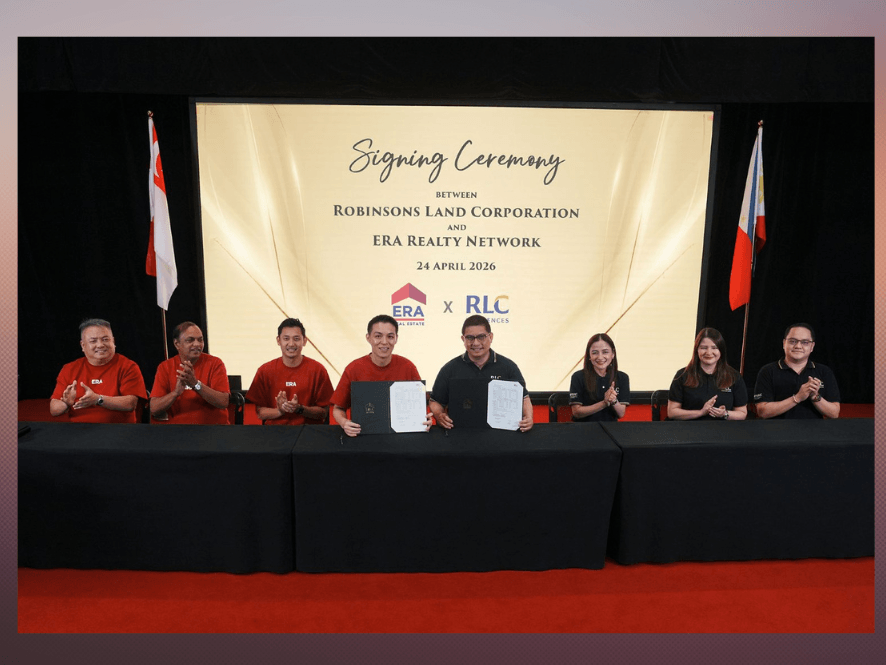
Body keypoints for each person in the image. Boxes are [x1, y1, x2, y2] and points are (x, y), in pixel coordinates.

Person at [332, 314, 431, 437]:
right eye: (378, 336)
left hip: (401, 439)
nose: (384, 342)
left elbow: (420, 407)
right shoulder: (353, 369)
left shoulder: (408, 367)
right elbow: (338, 408)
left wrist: (424, 420)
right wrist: (344, 423)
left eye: (390, 336)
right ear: (368, 338)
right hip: (364, 438)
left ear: (396, 339)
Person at [429, 314, 533, 431]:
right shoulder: (450, 369)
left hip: (501, 435)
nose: (476, 343)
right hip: (460, 434)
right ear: (463, 339)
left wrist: (528, 417)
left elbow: (524, 397)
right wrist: (439, 415)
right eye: (470, 338)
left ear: (491, 337)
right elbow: (435, 401)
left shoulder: (508, 367)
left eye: (481, 337)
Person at [49, 318, 147, 423]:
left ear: (113, 341)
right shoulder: (69, 369)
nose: (100, 345)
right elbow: (54, 410)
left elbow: (130, 404)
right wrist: (66, 403)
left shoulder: (128, 366)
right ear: (83, 345)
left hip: (119, 429)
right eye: (93, 341)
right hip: (80, 430)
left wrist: (98, 400)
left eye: (105, 339)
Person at [246, 317, 334, 425]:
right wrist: (280, 411)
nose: (291, 344)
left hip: (308, 432)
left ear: (304, 341)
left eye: (296, 339)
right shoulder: (264, 371)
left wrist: (299, 409)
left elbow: (324, 412)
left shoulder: (318, 370)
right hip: (274, 432)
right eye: (286, 338)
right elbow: (260, 413)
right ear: (278, 340)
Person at [149, 321, 230, 424]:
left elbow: (223, 402)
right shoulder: (165, 367)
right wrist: (175, 393)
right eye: (190, 340)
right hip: (176, 430)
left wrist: (195, 384)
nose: (197, 344)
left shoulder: (215, 363)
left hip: (212, 429)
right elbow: (154, 408)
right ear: (177, 344)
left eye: (200, 340)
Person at [754, 323, 840, 419]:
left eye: (805, 342)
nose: (798, 346)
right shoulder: (768, 371)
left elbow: (834, 413)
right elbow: (762, 412)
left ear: (812, 346)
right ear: (784, 343)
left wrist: (815, 397)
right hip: (778, 428)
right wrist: (797, 398)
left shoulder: (824, 371)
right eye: (793, 341)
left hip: (813, 428)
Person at [667, 327, 748, 420]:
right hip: (690, 427)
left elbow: (742, 413)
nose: (709, 352)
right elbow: (672, 412)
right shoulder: (682, 375)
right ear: (697, 350)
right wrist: (701, 412)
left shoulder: (734, 376)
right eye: (704, 348)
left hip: (723, 428)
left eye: (714, 348)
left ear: (721, 350)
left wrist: (725, 414)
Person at [569, 333, 630, 422]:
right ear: (589, 355)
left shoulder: (622, 377)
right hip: (583, 428)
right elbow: (576, 412)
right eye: (595, 353)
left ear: (613, 354)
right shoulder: (578, 377)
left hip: (610, 429)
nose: (600, 357)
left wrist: (613, 400)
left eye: (605, 352)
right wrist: (604, 403)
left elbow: (621, 413)